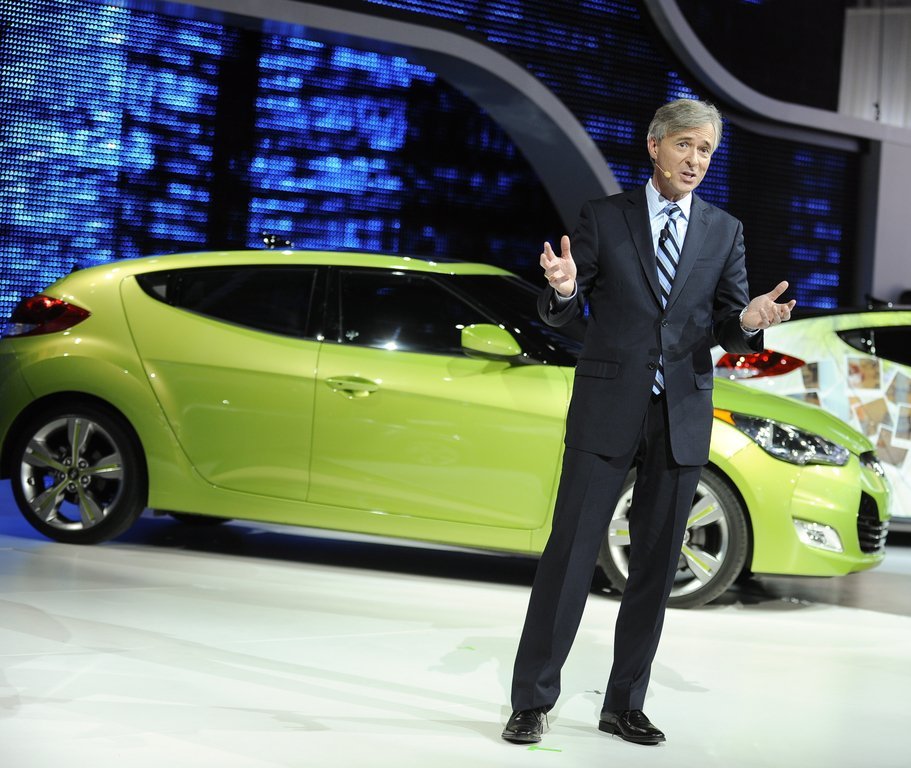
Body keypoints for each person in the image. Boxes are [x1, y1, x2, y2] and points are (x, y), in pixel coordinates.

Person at [501, 98, 795, 747]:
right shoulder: (605, 217)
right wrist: (564, 288)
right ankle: (531, 701)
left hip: (680, 412)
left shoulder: (724, 230)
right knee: (570, 556)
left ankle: (624, 704)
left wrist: (748, 323)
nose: (695, 160)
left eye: (705, 151)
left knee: (656, 567)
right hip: (607, 405)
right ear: (654, 146)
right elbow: (563, 309)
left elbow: (727, 325)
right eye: (684, 145)